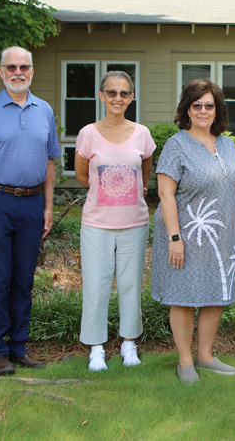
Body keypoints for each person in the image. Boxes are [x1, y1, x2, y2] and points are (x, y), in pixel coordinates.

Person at [0, 46, 61, 375]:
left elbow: (49, 162)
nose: (18, 72)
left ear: (32, 72)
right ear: (1, 72)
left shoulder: (44, 110)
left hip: (32, 203)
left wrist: (48, 205)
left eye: (24, 67)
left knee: (23, 279)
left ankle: (18, 347)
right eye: (11, 67)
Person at [151, 79, 235, 384]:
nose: (204, 111)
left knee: (215, 293)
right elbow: (166, 194)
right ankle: (185, 361)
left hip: (221, 235)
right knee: (184, 295)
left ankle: (205, 356)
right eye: (197, 105)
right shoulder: (177, 145)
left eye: (209, 105)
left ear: (217, 109)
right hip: (187, 232)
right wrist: (174, 238)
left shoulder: (228, 144)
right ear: (187, 109)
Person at [75, 71, 155, 371]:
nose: (117, 99)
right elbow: (83, 175)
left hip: (134, 222)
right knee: (95, 285)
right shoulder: (88, 133)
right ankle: (96, 348)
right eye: (111, 93)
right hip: (96, 223)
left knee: (130, 284)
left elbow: (144, 171)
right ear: (101, 96)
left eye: (123, 93)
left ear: (131, 97)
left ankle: (129, 344)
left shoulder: (142, 134)